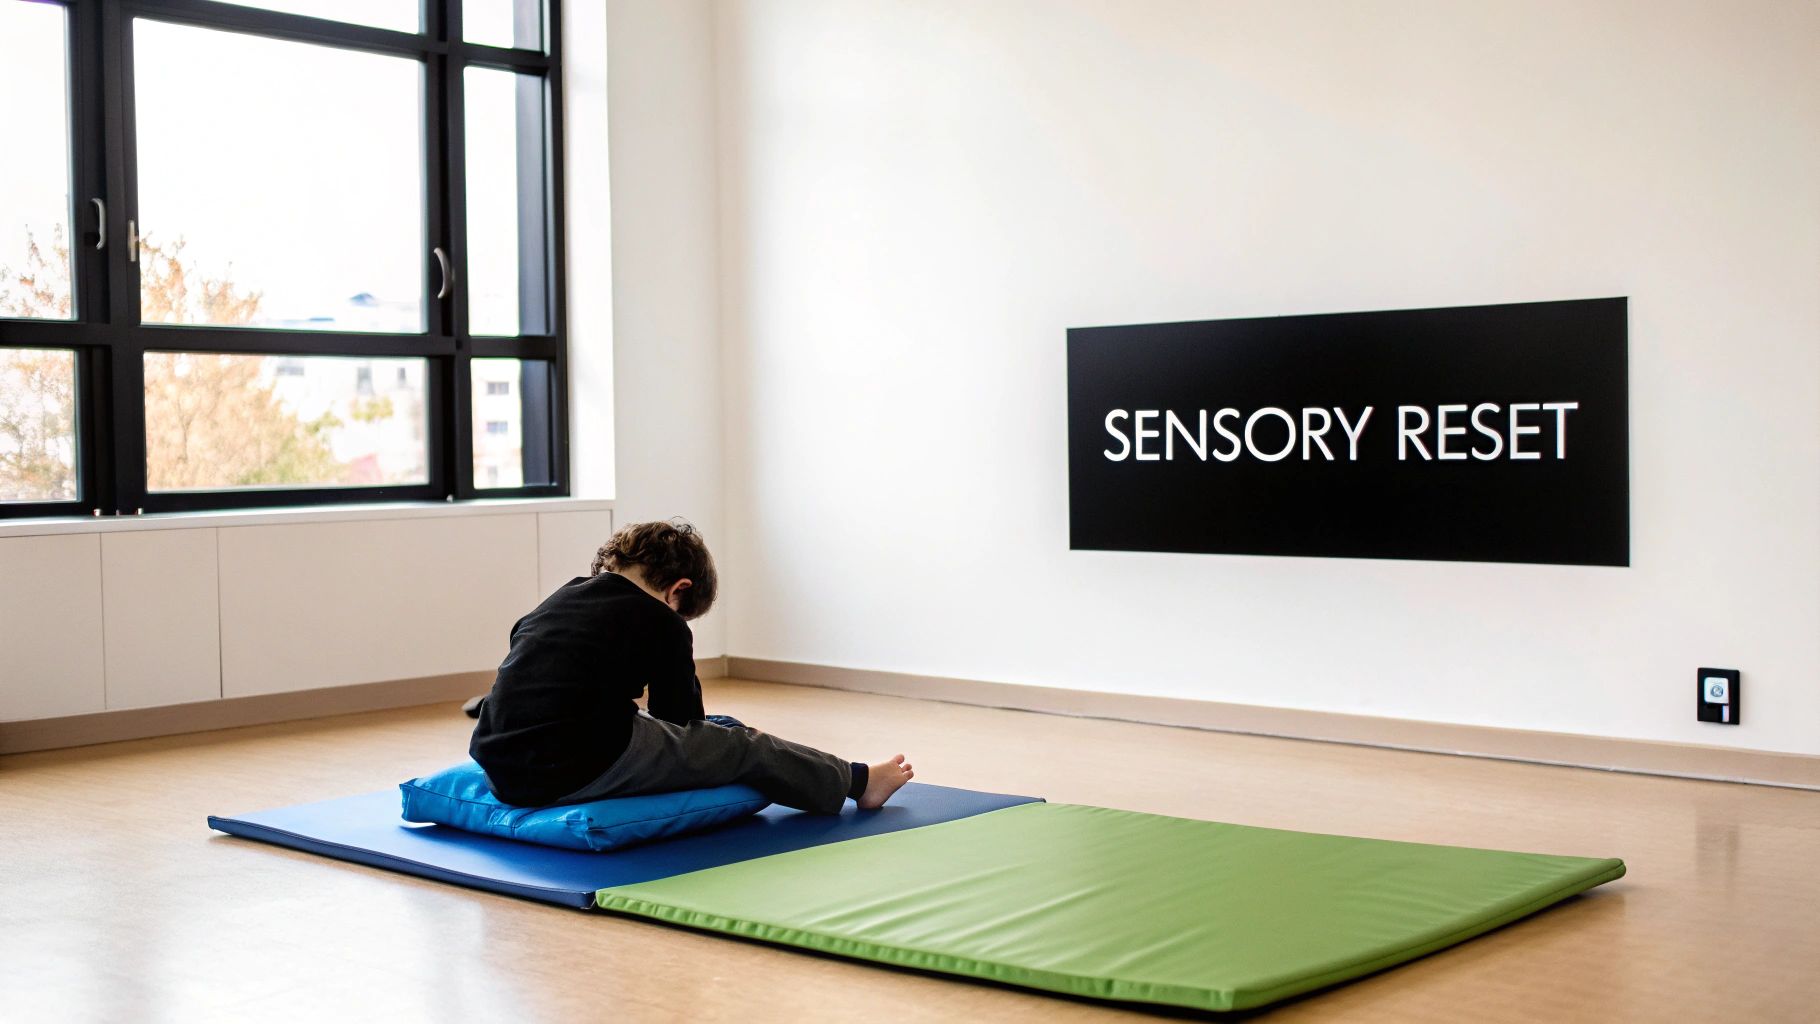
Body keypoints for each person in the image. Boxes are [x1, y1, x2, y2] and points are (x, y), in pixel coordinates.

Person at [468, 518, 914, 813]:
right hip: (570, 769)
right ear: (678, 590)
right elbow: (682, 723)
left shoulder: (563, 597)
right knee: (741, 745)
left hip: (499, 766)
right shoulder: (661, 620)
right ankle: (859, 782)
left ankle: (839, 774)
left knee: (720, 728)